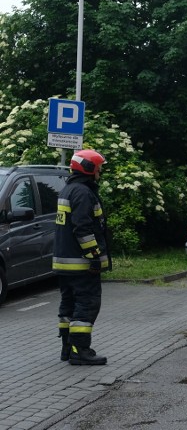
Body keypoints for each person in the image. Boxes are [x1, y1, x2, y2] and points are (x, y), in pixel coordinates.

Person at [53, 149, 110, 365]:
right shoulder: (84, 193)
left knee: (68, 305)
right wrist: (94, 256)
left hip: (65, 263)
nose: (100, 172)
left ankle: (67, 348)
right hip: (81, 265)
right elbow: (83, 229)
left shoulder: (68, 190)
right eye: (98, 168)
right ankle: (80, 351)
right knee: (86, 305)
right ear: (89, 169)